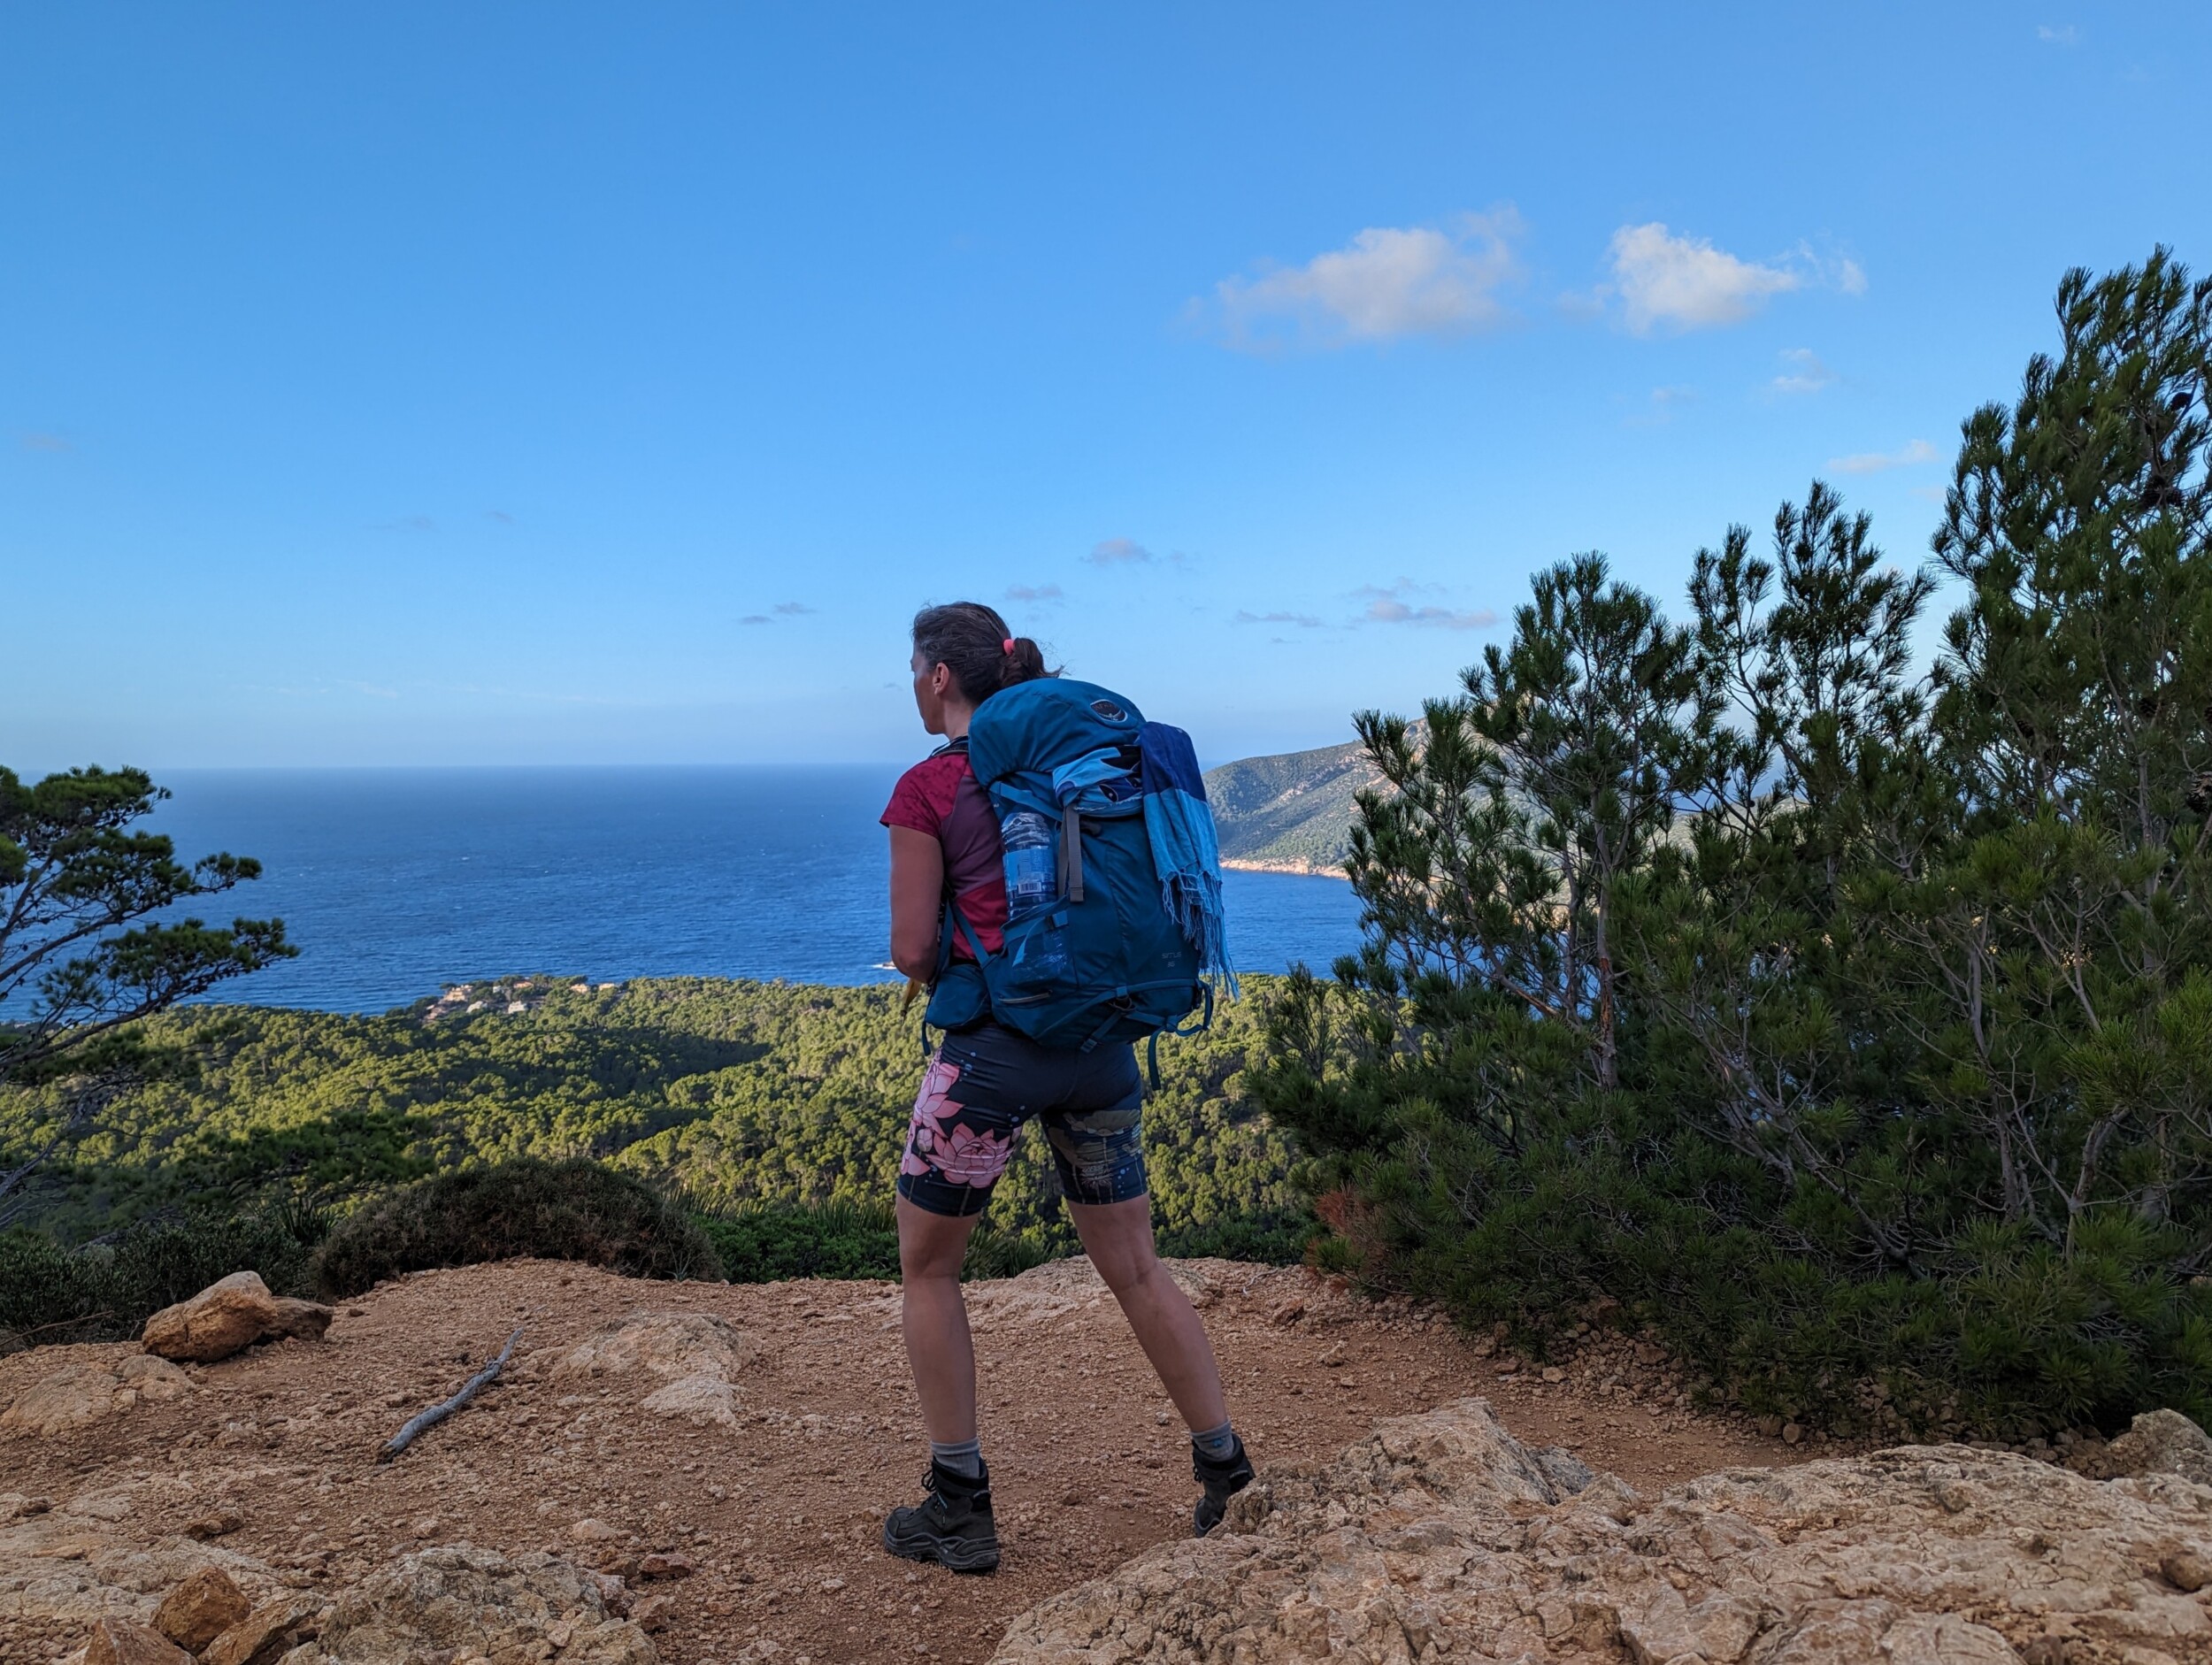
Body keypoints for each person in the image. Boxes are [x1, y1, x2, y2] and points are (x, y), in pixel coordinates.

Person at [876, 600, 1253, 1575]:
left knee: (929, 1268)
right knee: (1135, 1266)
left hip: (994, 1053)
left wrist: (967, 976)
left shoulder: (929, 787)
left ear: (936, 678)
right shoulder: (1090, 764)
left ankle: (959, 1506)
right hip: (1100, 1043)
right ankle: (1226, 1471)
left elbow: (913, 946)